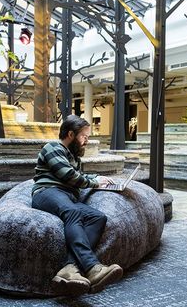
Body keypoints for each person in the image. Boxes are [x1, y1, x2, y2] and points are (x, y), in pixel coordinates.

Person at [31, 115, 123, 296]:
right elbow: (69, 176)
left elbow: (78, 177)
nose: (86, 141)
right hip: (46, 193)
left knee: (97, 217)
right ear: (71, 134)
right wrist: (94, 181)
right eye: (84, 137)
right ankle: (92, 267)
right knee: (72, 212)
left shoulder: (73, 158)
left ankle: (69, 268)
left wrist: (99, 180)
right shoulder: (53, 148)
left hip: (66, 198)